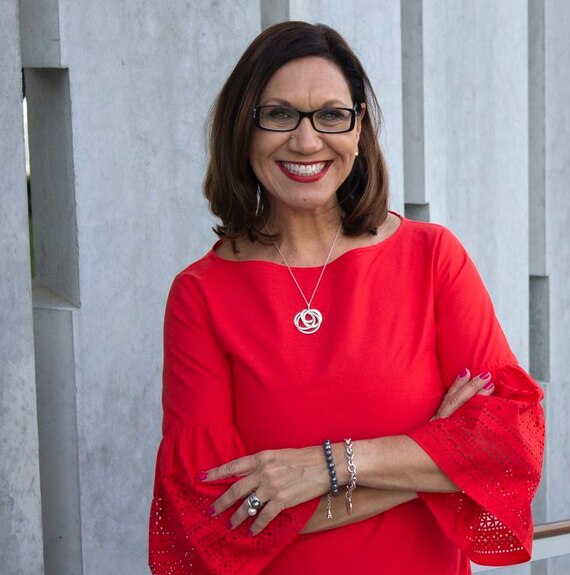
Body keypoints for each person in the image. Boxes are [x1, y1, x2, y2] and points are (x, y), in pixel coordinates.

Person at [148, 21, 544, 575]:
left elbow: (509, 451)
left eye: (331, 115)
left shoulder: (432, 259)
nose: (306, 141)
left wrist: (326, 466)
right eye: (279, 114)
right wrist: (434, 454)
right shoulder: (201, 296)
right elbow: (214, 520)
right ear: (244, 130)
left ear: (358, 131)